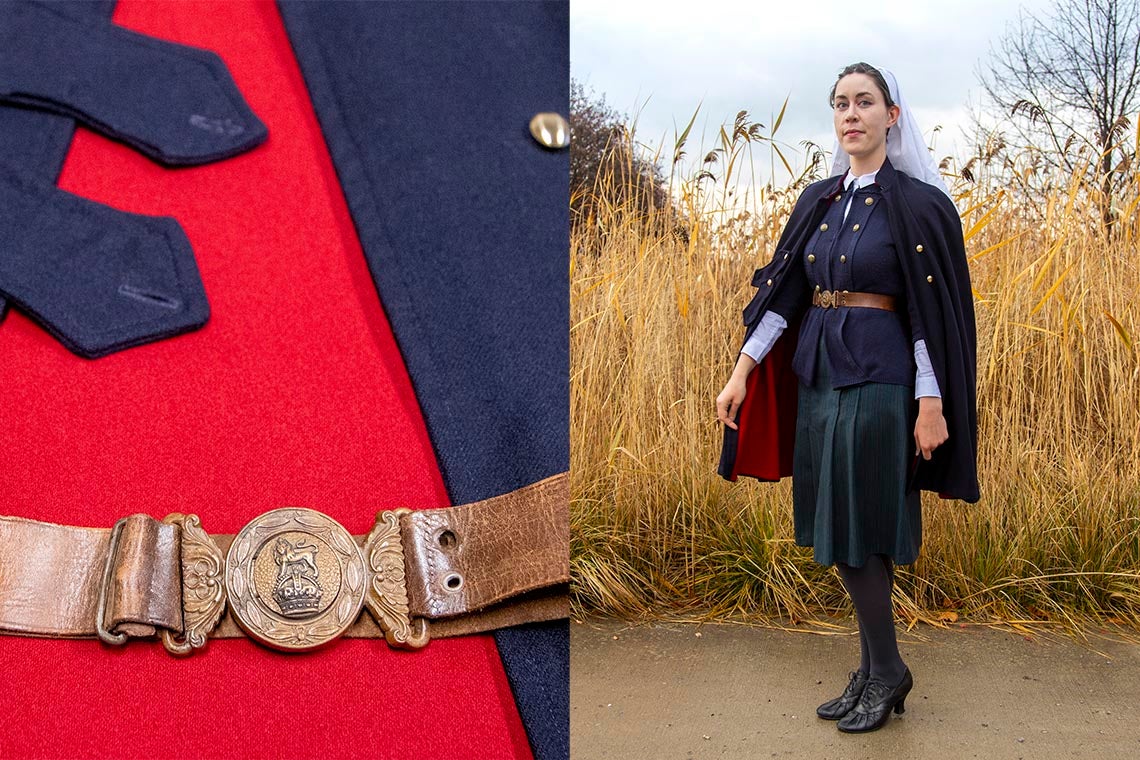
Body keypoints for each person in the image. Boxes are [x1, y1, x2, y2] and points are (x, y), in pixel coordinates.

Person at [715, 63, 979, 733]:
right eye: (840, 104)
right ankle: (870, 671)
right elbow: (785, 296)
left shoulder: (920, 205)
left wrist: (931, 400)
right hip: (820, 380)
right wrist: (743, 370)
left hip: (881, 382)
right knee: (843, 525)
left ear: (892, 114)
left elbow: (928, 316)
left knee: (857, 530)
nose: (851, 114)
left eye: (865, 102)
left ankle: (887, 670)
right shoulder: (819, 202)